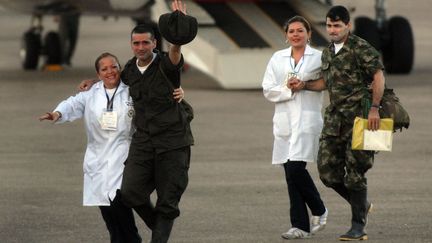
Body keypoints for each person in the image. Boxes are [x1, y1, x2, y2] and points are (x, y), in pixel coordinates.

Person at [79, 1, 195, 242]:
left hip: (172, 142)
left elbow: (175, 54)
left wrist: (177, 35)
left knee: (167, 200)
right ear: (131, 45)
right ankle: (160, 229)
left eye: (146, 42)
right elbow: (112, 78)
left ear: (154, 43)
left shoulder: (166, 64)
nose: (141, 47)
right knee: (130, 193)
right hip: (143, 141)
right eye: (136, 43)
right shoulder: (130, 70)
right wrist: (94, 80)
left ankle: (160, 234)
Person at [290, 6, 385, 241]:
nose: (332, 30)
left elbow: (378, 76)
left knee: (355, 174)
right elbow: (327, 82)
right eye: (329, 25)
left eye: (337, 25)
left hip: (361, 120)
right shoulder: (328, 52)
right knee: (327, 173)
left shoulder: (361, 48)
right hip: (335, 121)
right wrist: (304, 85)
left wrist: (374, 109)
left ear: (347, 26)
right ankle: (361, 204)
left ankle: (357, 226)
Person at [39, 53, 141, 243]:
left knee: (120, 207)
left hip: (123, 157)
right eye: (104, 69)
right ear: (98, 73)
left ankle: (133, 240)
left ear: (120, 68)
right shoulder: (91, 94)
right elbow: (72, 103)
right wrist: (57, 113)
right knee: (109, 215)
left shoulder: (131, 91)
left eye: (114, 67)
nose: (110, 71)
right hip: (98, 159)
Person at [262, 16, 328, 240]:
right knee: (290, 176)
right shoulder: (277, 58)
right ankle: (299, 226)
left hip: (307, 120)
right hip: (284, 122)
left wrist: (304, 86)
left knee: (295, 169)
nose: (296, 34)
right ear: (286, 35)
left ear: (309, 34)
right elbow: (268, 89)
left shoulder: (319, 57)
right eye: (291, 31)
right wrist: (288, 90)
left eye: (301, 30)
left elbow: (327, 83)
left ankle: (319, 209)